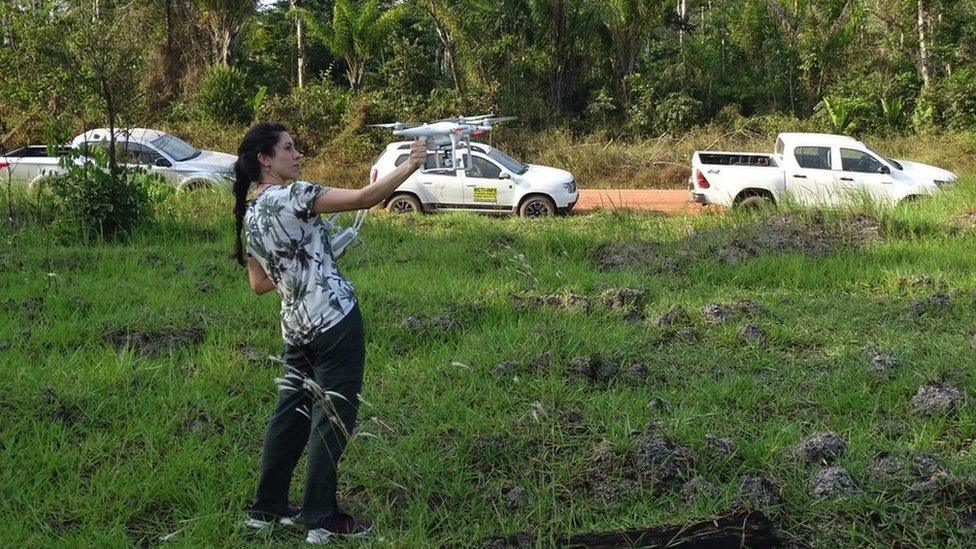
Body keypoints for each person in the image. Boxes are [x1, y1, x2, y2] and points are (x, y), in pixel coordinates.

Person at [230, 122, 425, 544]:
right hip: (335, 323)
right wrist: (411, 164)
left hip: (297, 328)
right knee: (331, 418)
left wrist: (324, 252)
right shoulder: (296, 194)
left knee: (290, 415)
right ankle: (321, 518)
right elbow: (366, 197)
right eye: (288, 148)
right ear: (265, 159)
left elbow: (260, 284)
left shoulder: (252, 213)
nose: (297, 154)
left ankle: (267, 508)